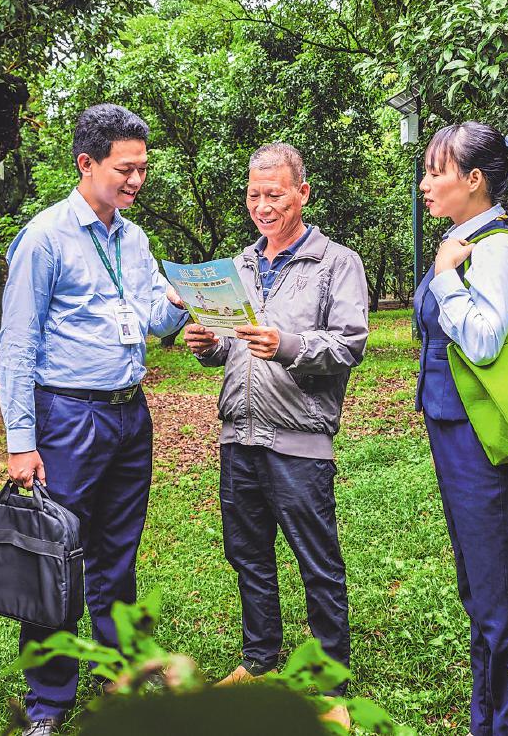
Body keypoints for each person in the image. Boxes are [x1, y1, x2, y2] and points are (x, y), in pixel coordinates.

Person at [0, 103, 188, 735]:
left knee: (117, 552)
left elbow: (152, 316)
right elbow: (17, 343)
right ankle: (48, 702)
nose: (137, 180)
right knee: (56, 556)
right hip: (68, 418)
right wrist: (21, 440)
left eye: (143, 168)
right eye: (125, 169)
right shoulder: (45, 238)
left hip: (130, 415)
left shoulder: (134, 240)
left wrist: (185, 303)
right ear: (87, 163)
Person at [183, 142, 369, 731]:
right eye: (253, 195)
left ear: (302, 193)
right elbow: (229, 348)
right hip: (238, 435)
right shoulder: (237, 267)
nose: (262, 206)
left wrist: (287, 345)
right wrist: (209, 345)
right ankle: (259, 660)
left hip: (298, 439)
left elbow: (349, 345)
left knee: (317, 561)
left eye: (274, 194)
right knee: (248, 555)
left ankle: (329, 684)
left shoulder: (336, 262)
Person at [413, 121, 508, 736]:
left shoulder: (497, 250)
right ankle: (489, 722)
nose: (424, 184)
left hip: (487, 446)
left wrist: (444, 276)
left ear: (473, 179)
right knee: (481, 593)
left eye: (435, 172)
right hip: (458, 437)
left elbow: (487, 341)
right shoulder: (463, 243)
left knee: (501, 600)